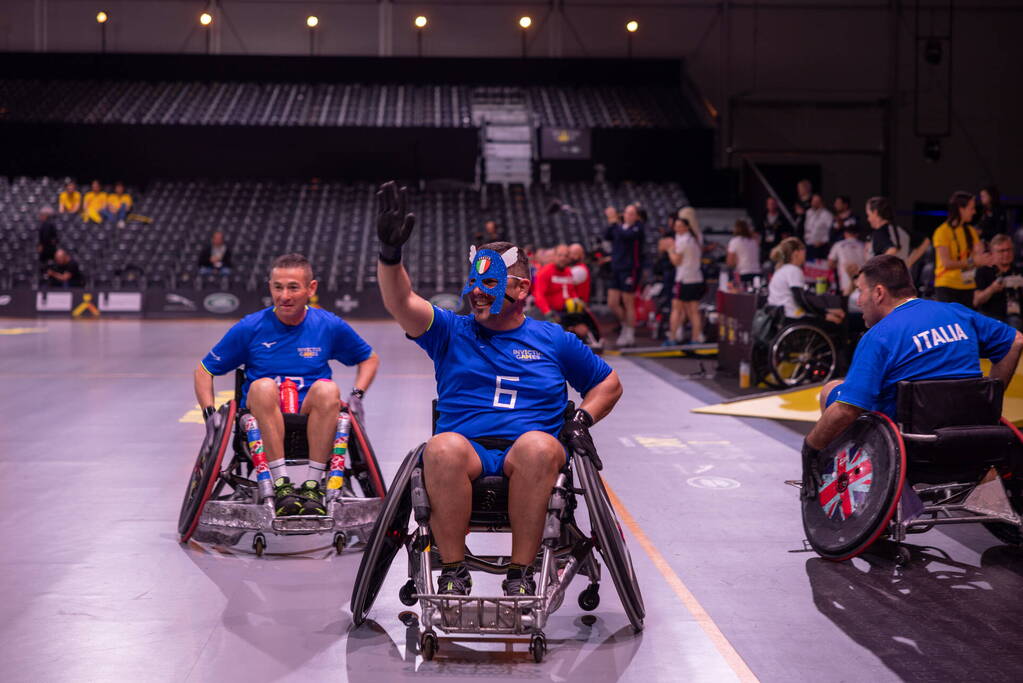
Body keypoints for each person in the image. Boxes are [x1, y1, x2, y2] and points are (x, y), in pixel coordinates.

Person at [375, 181, 622, 597]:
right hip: (467, 450)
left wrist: (582, 418)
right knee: (439, 448)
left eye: (487, 283)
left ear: (520, 289)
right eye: (473, 281)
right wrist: (390, 254)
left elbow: (607, 384)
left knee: (538, 447)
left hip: (530, 451)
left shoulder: (553, 339)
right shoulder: (450, 331)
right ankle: (453, 571)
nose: (474, 291)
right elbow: (402, 302)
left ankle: (521, 573)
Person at [801, 255, 1023, 496]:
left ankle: (854, 484)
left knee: (832, 391)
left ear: (878, 293)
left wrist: (810, 447)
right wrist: (988, 404)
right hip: (972, 434)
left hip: (913, 445)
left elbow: (847, 410)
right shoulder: (957, 313)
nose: (858, 300)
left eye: (860, 291)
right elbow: (1015, 340)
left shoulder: (880, 335)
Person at [193, 253, 380, 516]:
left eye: (293, 287)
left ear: (311, 288)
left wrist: (358, 394)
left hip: (312, 417)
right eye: (277, 287)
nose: (284, 296)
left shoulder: (328, 325)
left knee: (328, 389)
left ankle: (313, 485)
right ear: (270, 286)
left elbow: (369, 358)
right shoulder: (250, 327)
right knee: (263, 386)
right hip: (261, 418)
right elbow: (204, 370)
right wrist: (210, 414)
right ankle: (281, 484)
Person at [534, 244, 602, 349]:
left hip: (568, 311)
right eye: (560, 255)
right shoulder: (545, 272)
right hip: (551, 312)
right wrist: (548, 312)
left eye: (565, 256)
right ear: (554, 256)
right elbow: (539, 295)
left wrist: (578, 304)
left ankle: (589, 342)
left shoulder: (568, 272)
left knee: (585, 326)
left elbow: (571, 292)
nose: (562, 258)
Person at [932, 191, 992, 307]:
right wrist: (973, 261)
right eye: (971, 208)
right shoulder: (942, 232)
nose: (974, 212)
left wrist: (986, 257)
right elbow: (947, 263)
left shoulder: (971, 231)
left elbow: (979, 256)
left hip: (968, 285)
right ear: (961, 209)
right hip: (947, 286)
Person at [768, 237, 845, 325]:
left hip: (781, 317)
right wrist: (825, 315)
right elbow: (801, 301)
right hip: (792, 318)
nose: (805, 253)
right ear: (796, 253)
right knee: (835, 322)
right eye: (803, 250)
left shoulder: (781, 270)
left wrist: (827, 311)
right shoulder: (794, 270)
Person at [603, 204, 646, 347]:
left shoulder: (638, 228)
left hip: (630, 269)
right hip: (616, 268)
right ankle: (624, 325)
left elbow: (625, 235)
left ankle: (630, 331)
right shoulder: (619, 227)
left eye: (632, 213)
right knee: (612, 302)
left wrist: (614, 221)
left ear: (637, 216)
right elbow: (607, 235)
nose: (628, 216)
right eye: (627, 212)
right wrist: (612, 221)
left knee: (628, 301)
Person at [667, 217, 705, 344]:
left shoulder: (683, 241)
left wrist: (670, 250)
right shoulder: (694, 239)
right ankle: (695, 338)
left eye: (679, 226)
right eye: (675, 226)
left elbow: (676, 261)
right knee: (693, 311)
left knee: (676, 309)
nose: (676, 228)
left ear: (686, 227)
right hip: (696, 278)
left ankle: (672, 337)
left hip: (684, 279)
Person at [974, 234, 1023, 329]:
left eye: (1009, 250)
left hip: (1017, 315)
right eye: (1001, 251)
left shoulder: (1019, 271)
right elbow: (976, 301)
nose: (1006, 254)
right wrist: (992, 289)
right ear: (993, 253)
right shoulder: (984, 271)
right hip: (993, 316)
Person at [828, 222, 867, 296]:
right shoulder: (864, 245)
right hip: (862, 283)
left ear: (845, 234)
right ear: (857, 234)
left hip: (845, 284)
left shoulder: (838, 245)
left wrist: (840, 265)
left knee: (847, 305)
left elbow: (830, 264)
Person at [726, 218, 761, 287]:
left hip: (743, 274)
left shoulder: (734, 241)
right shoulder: (754, 241)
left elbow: (730, 262)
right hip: (757, 273)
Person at [803, 194, 833, 261]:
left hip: (820, 246)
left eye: (817, 201)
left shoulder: (827, 214)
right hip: (808, 244)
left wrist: (823, 241)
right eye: (813, 201)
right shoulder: (808, 212)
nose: (815, 203)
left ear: (821, 202)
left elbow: (831, 230)